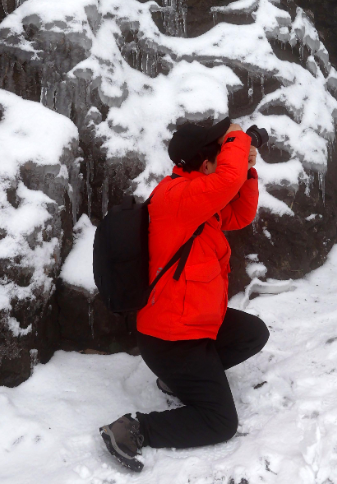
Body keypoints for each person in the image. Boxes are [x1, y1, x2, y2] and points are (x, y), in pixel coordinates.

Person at [100, 117, 268, 471]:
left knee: (253, 333)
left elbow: (240, 214)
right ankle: (133, 428)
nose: (227, 159)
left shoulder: (196, 192)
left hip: (193, 323)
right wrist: (237, 135)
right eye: (221, 153)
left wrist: (248, 171)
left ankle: (178, 382)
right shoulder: (179, 197)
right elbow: (226, 180)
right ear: (206, 163)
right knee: (221, 422)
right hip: (171, 339)